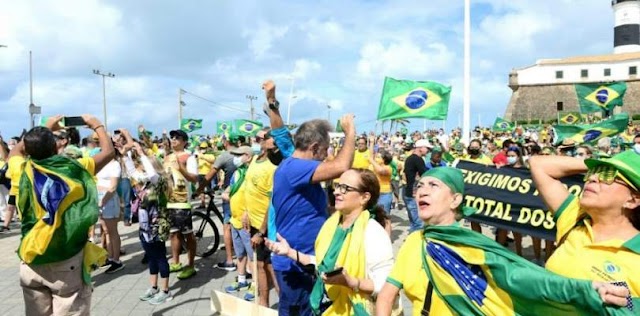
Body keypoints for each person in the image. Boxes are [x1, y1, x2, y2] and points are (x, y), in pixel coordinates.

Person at [376, 167, 632, 315]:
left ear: (455, 200)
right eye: (420, 185)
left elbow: (523, 278)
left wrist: (586, 290)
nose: (422, 190)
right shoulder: (414, 241)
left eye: (434, 185)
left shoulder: (475, 246)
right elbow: (387, 295)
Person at [9, 115, 114, 315]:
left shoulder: (21, 170)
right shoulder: (74, 169)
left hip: (32, 258)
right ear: (55, 147)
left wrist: (43, 127)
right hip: (66, 259)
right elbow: (108, 153)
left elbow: (15, 151)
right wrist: (97, 125)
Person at [267, 169, 393, 315]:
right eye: (338, 186)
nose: (337, 192)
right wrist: (290, 252)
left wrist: (352, 282)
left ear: (364, 197)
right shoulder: (332, 225)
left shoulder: (373, 232)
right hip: (325, 308)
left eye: (345, 188)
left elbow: (386, 284)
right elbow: (323, 266)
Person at [530, 149, 640, 309]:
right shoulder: (575, 218)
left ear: (632, 200)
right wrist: (601, 162)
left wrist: (626, 304)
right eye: (593, 173)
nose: (593, 179)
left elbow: (631, 309)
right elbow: (538, 164)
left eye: (607, 175)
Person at [270, 113, 356, 316]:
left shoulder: (294, 167)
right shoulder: (295, 168)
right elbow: (342, 166)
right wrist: (350, 133)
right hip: (296, 264)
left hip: (304, 259)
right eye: (325, 150)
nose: (326, 156)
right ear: (315, 147)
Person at [124, 140, 173, 305]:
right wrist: (124, 155)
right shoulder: (144, 184)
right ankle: (153, 287)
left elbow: (151, 173)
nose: (140, 170)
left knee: (160, 257)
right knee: (151, 257)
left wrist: (142, 152)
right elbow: (131, 172)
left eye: (143, 167)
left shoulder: (159, 182)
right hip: (145, 227)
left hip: (157, 227)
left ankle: (166, 290)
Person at [201, 133, 241, 271]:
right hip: (244, 194)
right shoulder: (245, 154)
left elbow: (209, 176)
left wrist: (199, 189)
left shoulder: (224, 156)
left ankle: (230, 261)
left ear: (225, 142)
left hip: (230, 195)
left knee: (227, 226)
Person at [163, 129, 199, 279]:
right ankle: (175, 261)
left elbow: (194, 178)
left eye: (177, 137)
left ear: (184, 141)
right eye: (172, 137)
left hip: (182, 202)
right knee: (173, 233)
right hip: (168, 201)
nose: (173, 140)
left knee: (188, 234)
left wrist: (181, 168)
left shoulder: (189, 157)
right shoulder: (167, 157)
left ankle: (190, 265)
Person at [97, 141, 125, 273]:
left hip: (108, 199)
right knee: (106, 230)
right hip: (99, 197)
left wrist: (102, 201)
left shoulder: (115, 164)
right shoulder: (102, 163)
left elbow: (113, 186)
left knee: (112, 231)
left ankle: (117, 260)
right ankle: (110, 256)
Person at [402, 139, 431, 233]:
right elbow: (425, 174)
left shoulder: (410, 158)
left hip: (408, 192)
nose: (428, 151)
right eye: (427, 148)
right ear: (420, 148)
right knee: (418, 224)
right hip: (413, 194)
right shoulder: (417, 159)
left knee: (414, 223)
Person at [369, 149, 393, 217]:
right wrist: (371, 143)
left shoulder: (388, 168)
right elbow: (370, 155)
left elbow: (380, 171)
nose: (376, 159)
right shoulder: (373, 167)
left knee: (384, 216)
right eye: (376, 157)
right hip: (374, 193)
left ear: (384, 159)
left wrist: (371, 160)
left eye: (378, 157)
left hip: (384, 194)